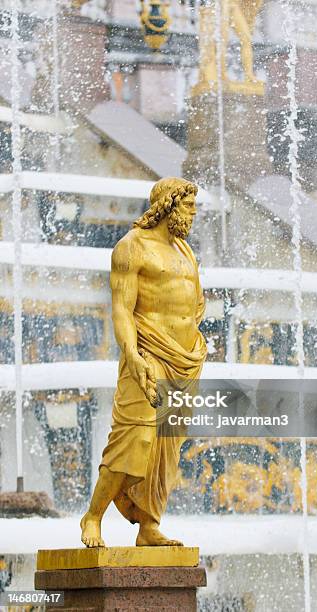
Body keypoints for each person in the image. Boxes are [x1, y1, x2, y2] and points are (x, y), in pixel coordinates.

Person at [80, 177, 207, 547]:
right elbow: (121, 309)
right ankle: (93, 516)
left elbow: (192, 301)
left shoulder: (185, 250)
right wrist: (132, 354)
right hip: (148, 355)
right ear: (167, 205)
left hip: (185, 361)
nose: (193, 214)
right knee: (134, 438)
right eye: (187, 207)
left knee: (167, 448)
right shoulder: (131, 248)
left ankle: (149, 525)